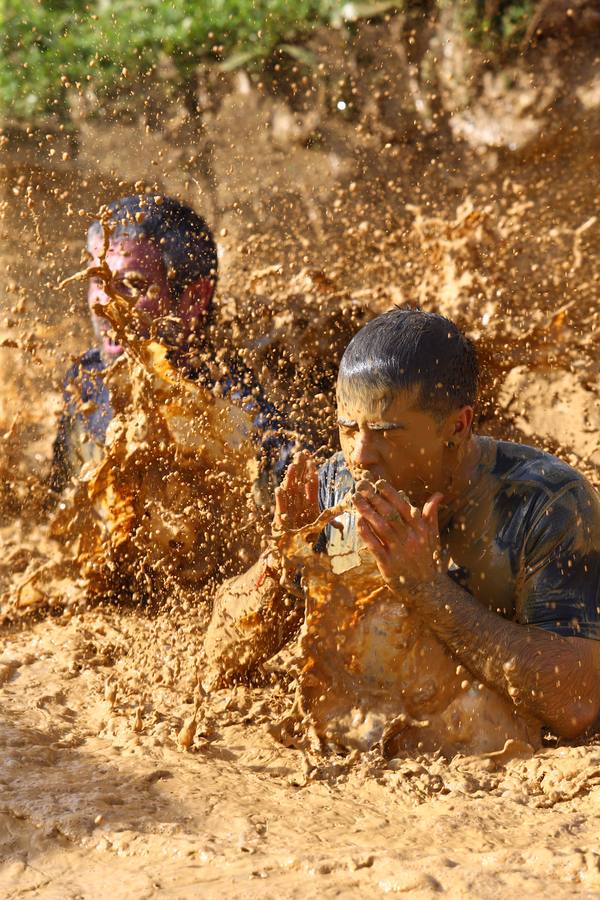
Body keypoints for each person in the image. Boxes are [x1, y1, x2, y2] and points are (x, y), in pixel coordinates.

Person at [204, 307, 600, 741]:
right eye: (347, 428)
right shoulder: (337, 489)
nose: (359, 456)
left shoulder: (545, 505)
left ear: (457, 426)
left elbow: (576, 704)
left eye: (385, 432)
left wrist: (429, 591)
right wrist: (284, 565)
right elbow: (217, 661)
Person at [51, 194, 292, 494]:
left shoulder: (245, 416)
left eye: (131, 285)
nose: (104, 305)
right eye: (98, 282)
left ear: (194, 299)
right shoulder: (84, 384)